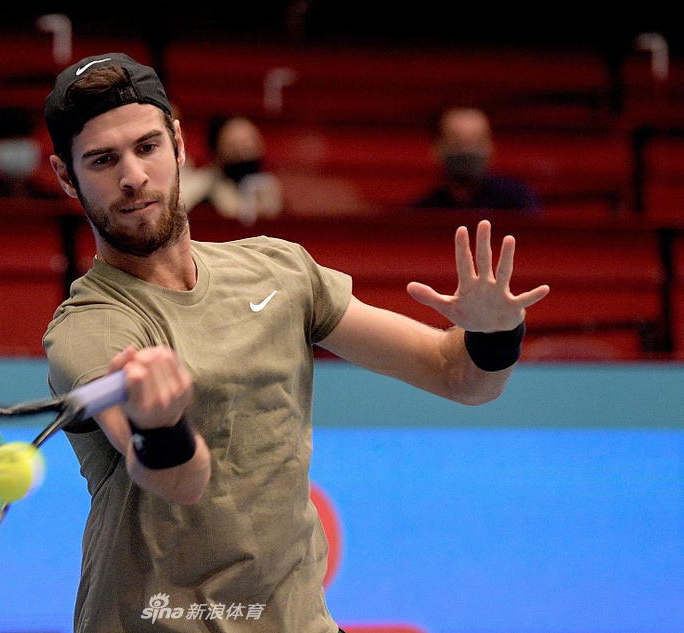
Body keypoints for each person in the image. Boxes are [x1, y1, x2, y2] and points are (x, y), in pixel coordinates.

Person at [41, 53, 549, 632]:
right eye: (103, 159)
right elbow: (179, 481)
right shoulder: (91, 328)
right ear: (66, 176)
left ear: (178, 145)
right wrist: (161, 428)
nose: (132, 175)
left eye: (147, 146)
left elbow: (458, 376)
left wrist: (493, 334)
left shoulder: (278, 271)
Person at [412, 106, 542, 214]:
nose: (466, 150)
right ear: (436, 148)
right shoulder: (422, 212)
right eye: (457, 141)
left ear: (491, 147)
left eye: (476, 141)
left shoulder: (519, 202)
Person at [179, 114, 283, 224]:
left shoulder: (270, 188)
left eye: (249, 146)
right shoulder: (200, 188)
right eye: (234, 147)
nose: (244, 155)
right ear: (217, 151)